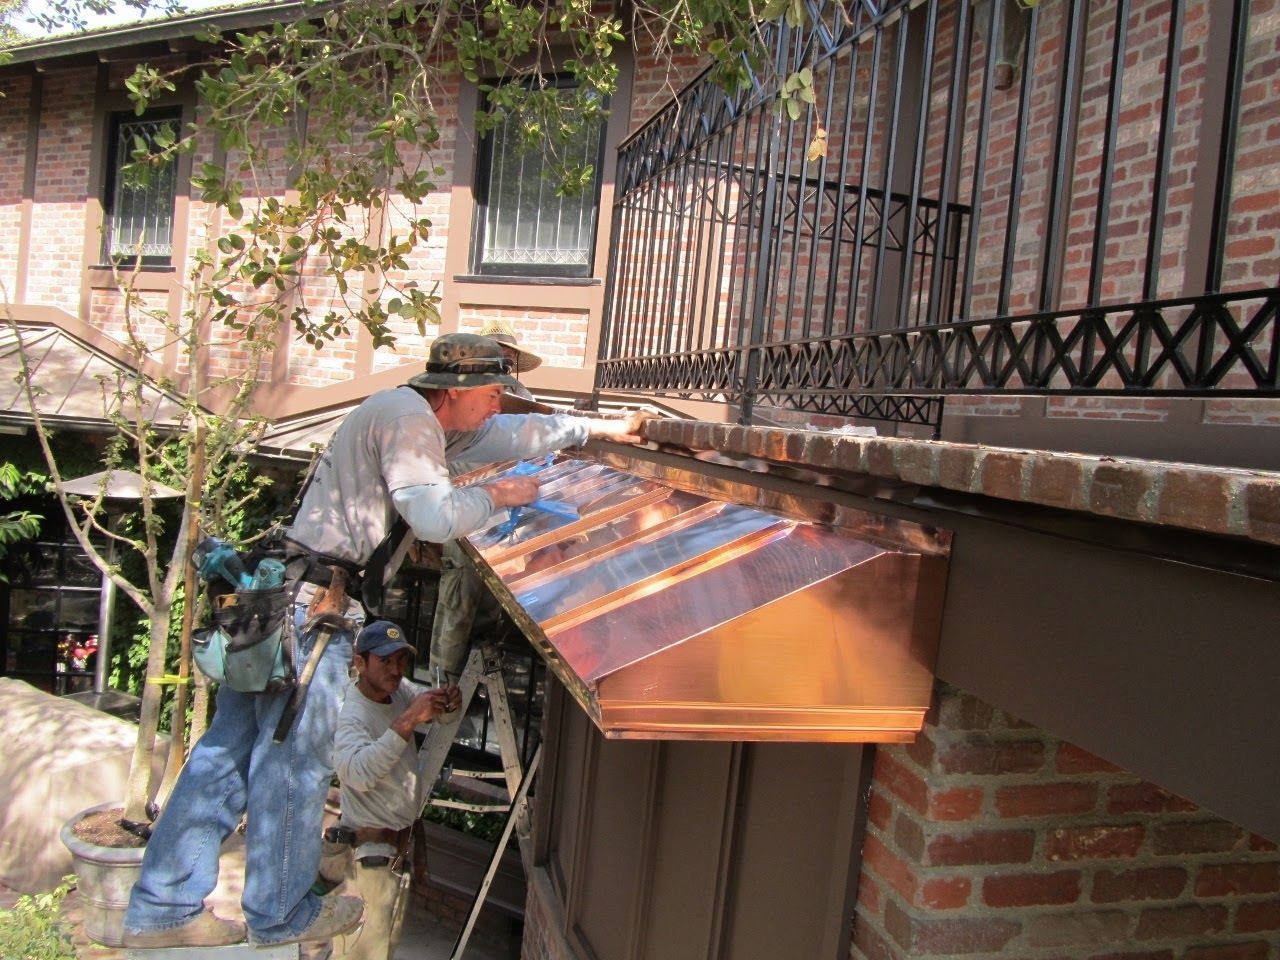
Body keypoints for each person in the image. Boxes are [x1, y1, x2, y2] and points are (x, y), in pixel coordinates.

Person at [122, 333, 651, 949]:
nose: (499, 407)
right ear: (455, 390)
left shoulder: (418, 418)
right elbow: (432, 516)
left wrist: (602, 428)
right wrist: (497, 495)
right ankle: (278, 914)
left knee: (224, 755)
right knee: (294, 764)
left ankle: (164, 907)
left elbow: (511, 437)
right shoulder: (408, 420)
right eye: (492, 394)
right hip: (312, 612)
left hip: (284, 605)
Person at [328, 619, 459, 960]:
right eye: (384, 660)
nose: (395, 669)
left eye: (400, 660)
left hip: (396, 851)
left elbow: (428, 708)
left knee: (383, 949)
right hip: (370, 856)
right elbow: (355, 773)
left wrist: (446, 703)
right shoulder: (351, 712)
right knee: (359, 953)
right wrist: (407, 720)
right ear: (360, 663)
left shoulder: (398, 691)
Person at [430, 319, 541, 682]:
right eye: (496, 358)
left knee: (491, 613)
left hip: (503, 528)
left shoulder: (520, 405)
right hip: (466, 522)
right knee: (457, 609)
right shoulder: (458, 405)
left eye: (508, 361)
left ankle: (472, 688)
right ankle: (441, 685)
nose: (503, 366)